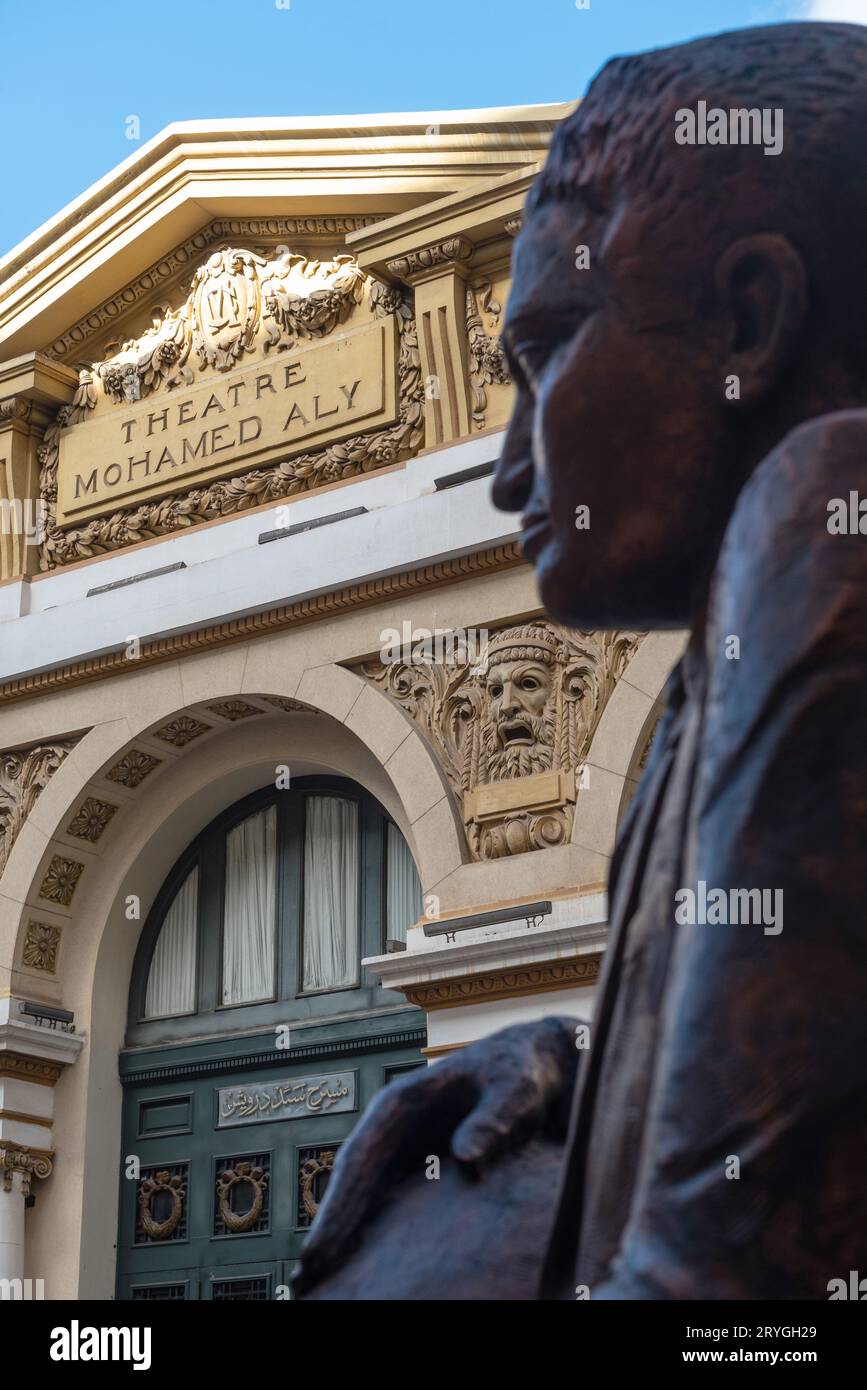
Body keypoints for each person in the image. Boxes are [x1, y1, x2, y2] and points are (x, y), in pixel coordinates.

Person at [294, 22, 867, 1299]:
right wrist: (585, 1068)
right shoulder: (717, 653)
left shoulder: (828, 515)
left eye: (545, 351)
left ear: (749, 316)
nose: (507, 473)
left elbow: (727, 1308)